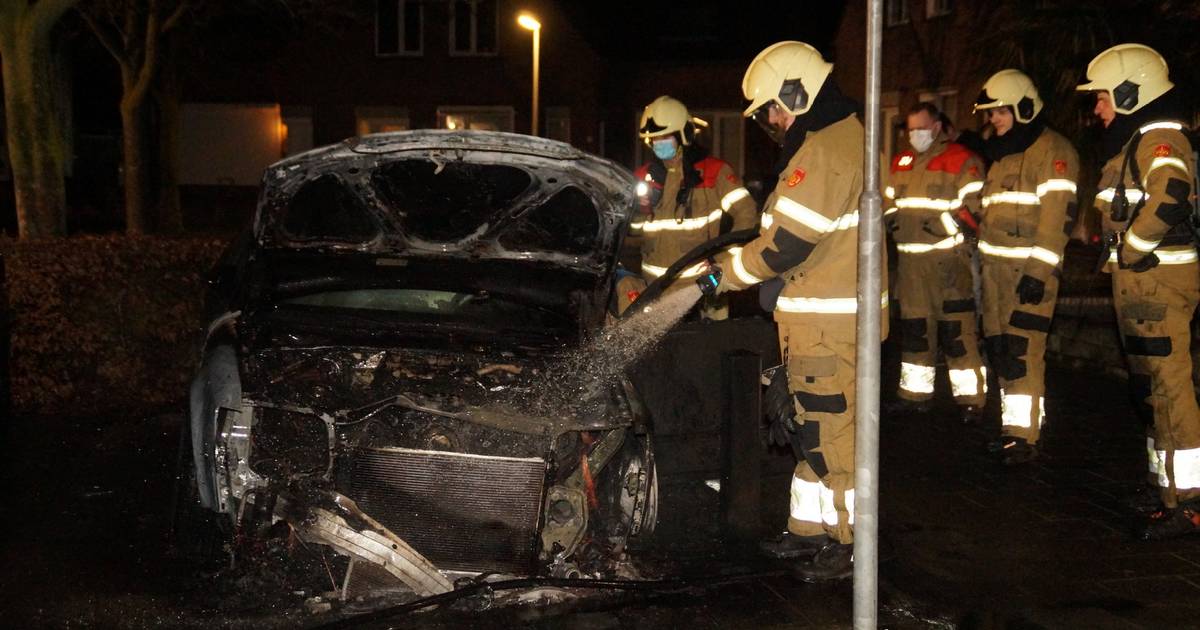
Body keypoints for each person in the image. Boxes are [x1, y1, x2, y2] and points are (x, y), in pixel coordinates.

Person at [709, 41, 888, 581]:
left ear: (796, 93)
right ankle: (810, 529)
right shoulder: (829, 140)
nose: (771, 120)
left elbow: (789, 243)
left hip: (829, 323)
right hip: (816, 319)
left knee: (832, 435)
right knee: (808, 428)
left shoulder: (830, 147)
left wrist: (728, 274)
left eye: (772, 108)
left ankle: (852, 543)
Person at [1076, 44, 1200, 539]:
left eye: (1104, 97)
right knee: (1149, 389)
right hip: (1141, 281)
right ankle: (1163, 486)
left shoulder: (1159, 138)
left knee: (1169, 389)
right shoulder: (1136, 141)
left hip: (1156, 280)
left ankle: (1189, 502)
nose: (1098, 108)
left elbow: (1171, 196)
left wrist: (1131, 248)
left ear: (1131, 92)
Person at [972, 69, 1079, 465]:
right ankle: (1012, 429)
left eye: (999, 112)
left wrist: (1038, 272)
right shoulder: (1004, 156)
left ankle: (1024, 435)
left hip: (1028, 277)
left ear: (1023, 106)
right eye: (990, 113)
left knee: (1023, 351)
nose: (993, 120)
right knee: (1002, 351)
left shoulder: (1053, 152)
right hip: (996, 275)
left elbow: (1057, 221)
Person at [884, 102, 987, 422]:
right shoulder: (901, 162)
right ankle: (915, 395)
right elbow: (888, 201)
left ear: (937, 127)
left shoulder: (962, 160)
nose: (915, 135)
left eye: (921, 128)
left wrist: (934, 228)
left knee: (957, 332)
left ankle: (971, 400)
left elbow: (975, 210)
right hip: (911, 264)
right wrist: (894, 223)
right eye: (911, 129)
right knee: (915, 332)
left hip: (949, 261)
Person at [630, 96, 757, 318]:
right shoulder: (644, 176)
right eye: (654, 139)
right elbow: (631, 228)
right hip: (655, 291)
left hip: (702, 293)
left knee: (705, 350)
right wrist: (639, 210)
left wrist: (724, 262)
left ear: (683, 134)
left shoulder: (714, 172)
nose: (658, 143)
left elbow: (746, 214)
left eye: (665, 136)